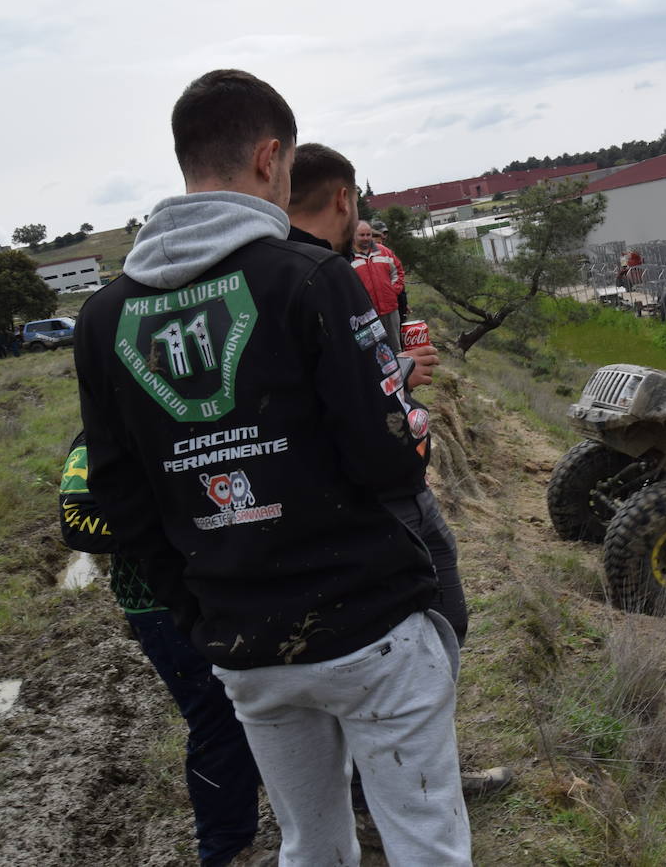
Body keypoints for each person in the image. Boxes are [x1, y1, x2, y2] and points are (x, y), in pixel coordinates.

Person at [74, 69, 471, 865]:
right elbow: (388, 461)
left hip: (243, 646)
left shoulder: (105, 318)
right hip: (370, 630)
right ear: (268, 157)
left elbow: (117, 502)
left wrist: (199, 616)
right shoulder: (313, 279)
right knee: (425, 843)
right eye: (286, 169)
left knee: (310, 847)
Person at [285, 144, 512, 800]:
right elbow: (354, 402)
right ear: (344, 199)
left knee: (422, 632)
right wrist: (403, 382)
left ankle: (399, 778)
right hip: (385, 493)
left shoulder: (295, 276)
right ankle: (408, 787)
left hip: (348, 501)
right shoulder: (323, 278)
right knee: (435, 621)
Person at [58, 433, 264, 866]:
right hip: (158, 603)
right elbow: (76, 521)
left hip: (232, 586)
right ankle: (227, 849)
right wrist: (174, 522)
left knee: (271, 703)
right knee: (218, 720)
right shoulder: (97, 441)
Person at [351, 220, 403, 351]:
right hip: (365, 315)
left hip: (390, 310)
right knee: (372, 352)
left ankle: (401, 371)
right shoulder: (348, 257)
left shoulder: (384, 252)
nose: (366, 238)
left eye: (368, 234)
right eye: (361, 235)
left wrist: (393, 291)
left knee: (396, 349)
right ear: (354, 236)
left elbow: (398, 272)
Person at [371, 220, 409, 323]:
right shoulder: (365, 253)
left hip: (395, 302)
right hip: (382, 308)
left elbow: (398, 274)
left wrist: (404, 303)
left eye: (385, 233)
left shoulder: (387, 252)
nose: (383, 236)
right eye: (379, 234)